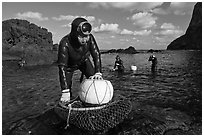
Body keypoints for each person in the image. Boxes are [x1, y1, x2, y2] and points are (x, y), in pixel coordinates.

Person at [57, 17, 103, 106]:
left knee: (96, 82)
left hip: (84, 61)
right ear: (74, 34)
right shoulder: (65, 42)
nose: (85, 40)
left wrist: (98, 72)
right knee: (67, 93)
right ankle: (69, 105)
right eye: (81, 37)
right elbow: (62, 66)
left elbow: (96, 54)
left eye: (86, 36)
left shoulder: (90, 38)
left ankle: (93, 103)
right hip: (69, 67)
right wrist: (65, 90)